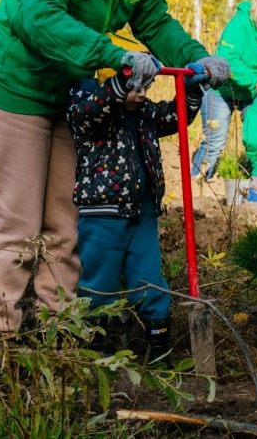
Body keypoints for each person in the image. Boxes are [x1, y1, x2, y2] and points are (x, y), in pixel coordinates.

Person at [0, 0, 230, 334]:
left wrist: (199, 59)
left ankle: (60, 331)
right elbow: (42, 20)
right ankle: (0, 334)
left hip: (75, 99)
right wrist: (116, 57)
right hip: (19, 90)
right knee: (17, 225)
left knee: (66, 225)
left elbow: (153, 20)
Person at [67, 63, 209, 362]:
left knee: (149, 278)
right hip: (103, 211)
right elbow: (91, 111)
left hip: (143, 210)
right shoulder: (88, 107)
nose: (141, 94)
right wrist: (121, 82)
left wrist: (193, 88)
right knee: (99, 278)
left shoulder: (144, 113)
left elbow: (174, 118)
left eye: (145, 86)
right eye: (134, 87)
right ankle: (93, 343)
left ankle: (159, 345)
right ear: (113, 84)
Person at [191, 0, 257, 179]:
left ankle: (252, 178)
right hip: (222, 88)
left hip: (255, 91)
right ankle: (196, 184)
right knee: (214, 142)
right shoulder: (239, 25)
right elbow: (228, 61)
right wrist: (256, 79)